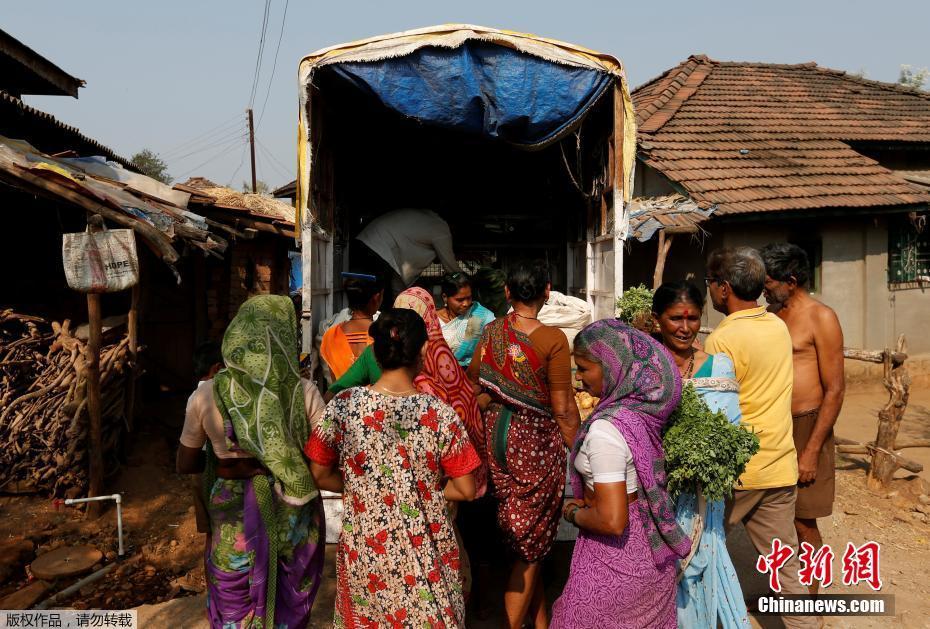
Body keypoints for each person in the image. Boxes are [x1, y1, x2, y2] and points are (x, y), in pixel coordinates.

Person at [306, 308, 481, 627]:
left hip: (366, 556)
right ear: (424, 351)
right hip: (425, 558)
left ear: (375, 350)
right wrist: (424, 491)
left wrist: (363, 489)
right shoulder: (439, 414)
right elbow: (466, 488)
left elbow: (318, 472)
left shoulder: (343, 407)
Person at [176, 295, 325, 629]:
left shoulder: (206, 394)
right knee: (290, 590)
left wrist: (230, 464)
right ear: (286, 337)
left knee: (234, 590)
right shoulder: (304, 392)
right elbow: (323, 457)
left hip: (231, 510)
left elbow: (185, 463)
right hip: (292, 508)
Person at [551, 319, 690, 628]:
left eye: (585, 369)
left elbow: (612, 521)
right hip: (652, 560)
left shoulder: (606, 431)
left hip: (616, 563)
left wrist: (572, 513)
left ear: (613, 368)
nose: (578, 378)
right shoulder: (642, 417)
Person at [704, 247, 817, 629]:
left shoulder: (722, 339)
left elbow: (714, 413)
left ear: (723, 289)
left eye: (711, 284)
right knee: (787, 571)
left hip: (739, 473)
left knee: (696, 554)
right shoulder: (777, 326)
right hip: (780, 465)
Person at [467, 260, 580, 629]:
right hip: (534, 444)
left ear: (507, 292)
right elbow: (563, 409)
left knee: (525, 536)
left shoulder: (491, 332)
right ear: (547, 291)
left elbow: (476, 383)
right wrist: (581, 453)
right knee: (531, 549)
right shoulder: (553, 339)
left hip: (497, 437)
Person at [652, 281, 750, 628]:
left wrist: (703, 458)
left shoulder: (718, 368)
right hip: (656, 492)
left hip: (703, 497)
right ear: (656, 319)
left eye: (693, 318)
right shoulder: (646, 368)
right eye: (675, 318)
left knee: (703, 562)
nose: (685, 327)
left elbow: (732, 429)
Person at [761, 243, 845, 594]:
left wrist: (811, 450)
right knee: (770, 518)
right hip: (774, 424)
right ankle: (783, 591)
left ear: (791, 280)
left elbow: (836, 389)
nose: (764, 289)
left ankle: (809, 606)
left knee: (803, 520)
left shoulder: (820, 317)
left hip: (808, 424)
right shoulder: (772, 315)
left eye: (769, 283)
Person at [356, 208, 462, 298]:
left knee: (367, 293)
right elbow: (451, 268)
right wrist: (467, 282)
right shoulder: (442, 229)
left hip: (368, 240)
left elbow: (398, 285)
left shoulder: (428, 219)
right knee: (376, 295)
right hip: (378, 246)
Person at [319, 274, 383, 381]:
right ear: (376, 297)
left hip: (340, 397)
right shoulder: (383, 334)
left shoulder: (331, 335)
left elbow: (334, 383)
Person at [437, 272, 497, 367]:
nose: (466, 303)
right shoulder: (434, 321)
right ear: (445, 297)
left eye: (469, 298)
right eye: (460, 300)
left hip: (470, 374)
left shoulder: (481, 316)